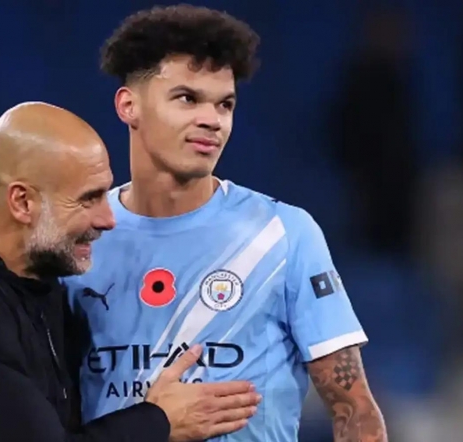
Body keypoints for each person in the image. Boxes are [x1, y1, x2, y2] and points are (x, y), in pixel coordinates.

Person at [62, 5, 388, 441]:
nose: (212, 120)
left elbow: (355, 409)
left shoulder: (284, 234)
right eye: (187, 98)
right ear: (128, 105)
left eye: (225, 104)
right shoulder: (80, 235)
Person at [0, 101, 262, 441]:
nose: (107, 219)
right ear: (22, 203)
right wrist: (160, 421)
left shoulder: (38, 285)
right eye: (87, 199)